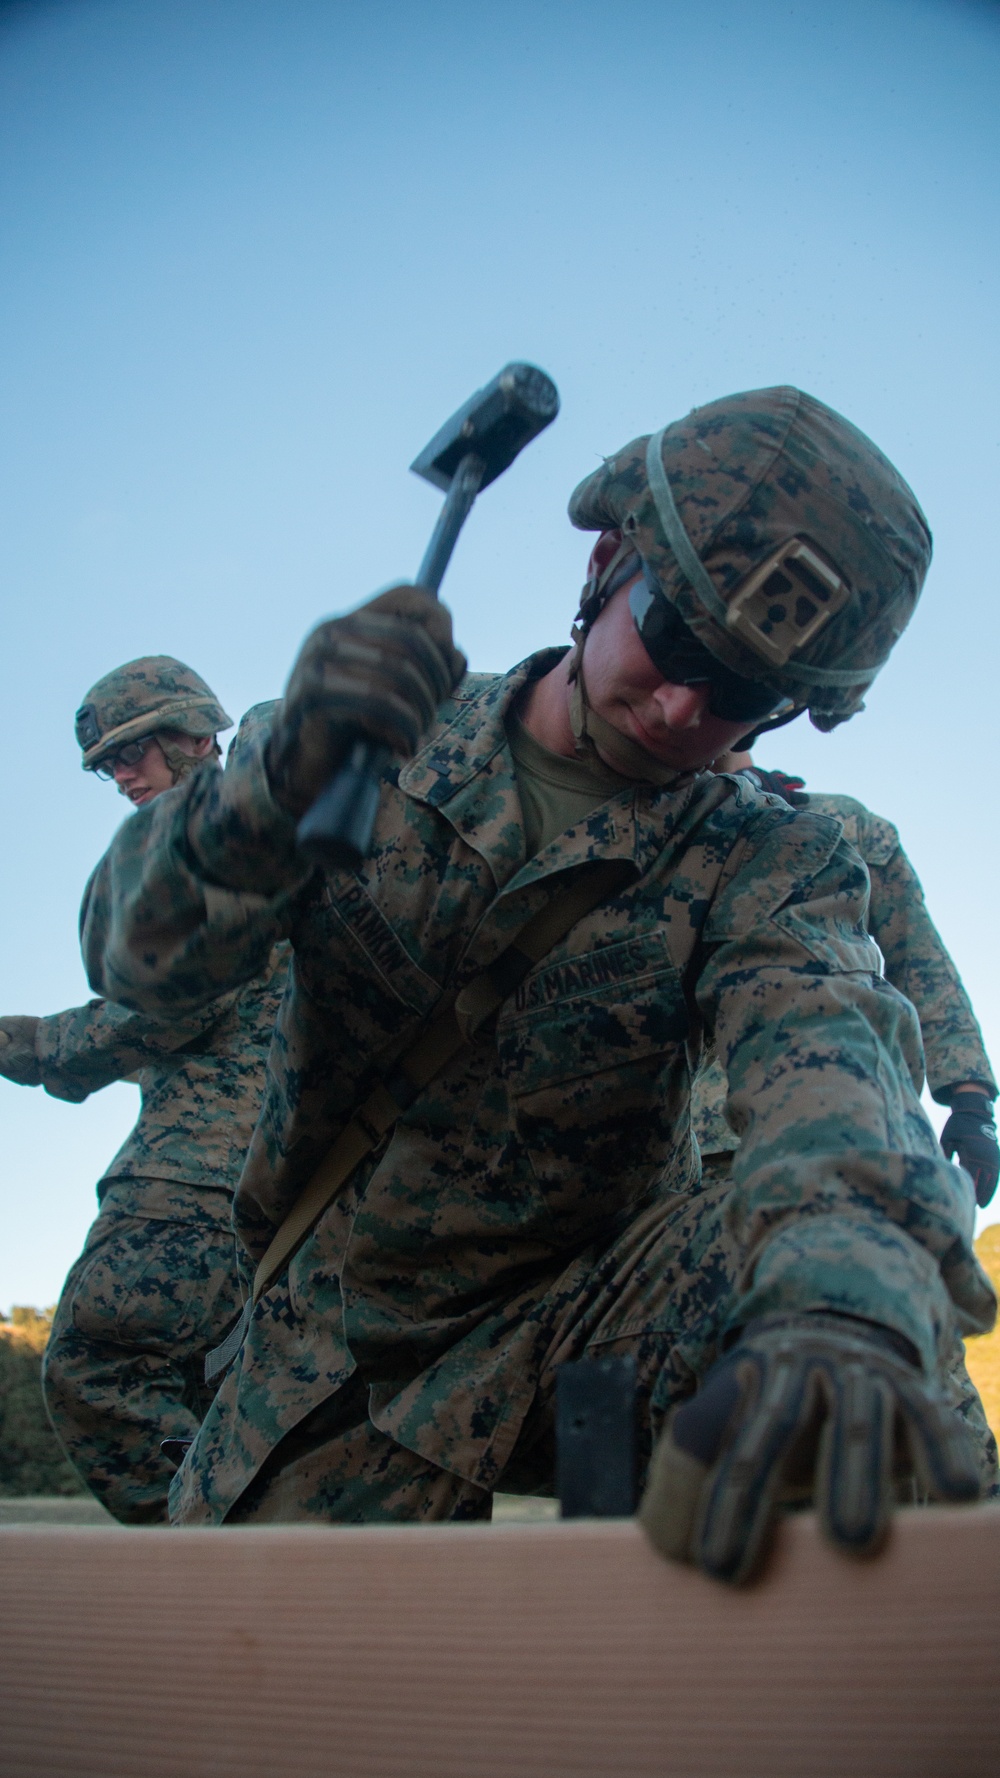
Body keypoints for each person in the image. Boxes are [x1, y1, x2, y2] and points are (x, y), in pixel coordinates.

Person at [81, 387, 996, 1583]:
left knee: (856, 1350)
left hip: (597, 1318)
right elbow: (140, 962)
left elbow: (823, 1050)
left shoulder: (768, 852)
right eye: (672, 636)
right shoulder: (364, 751)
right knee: (260, 1694)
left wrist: (850, 1294)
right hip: (336, 1343)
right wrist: (263, 791)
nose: (681, 707)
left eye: (741, 690)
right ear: (609, 559)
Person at [0, 658, 288, 1523]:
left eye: (133, 752)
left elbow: (165, 1007)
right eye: (107, 765)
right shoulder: (268, 822)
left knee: (99, 1361)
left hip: (197, 1180)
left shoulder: (231, 838)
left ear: (196, 733)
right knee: (230, 1394)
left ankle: (210, 1560)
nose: (121, 775)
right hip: (273, 1178)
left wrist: (37, 1043)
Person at [690, 756, 999, 1486]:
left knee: (890, 1320)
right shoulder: (653, 825)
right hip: (686, 1150)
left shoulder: (843, 825)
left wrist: (970, 1098)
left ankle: (971, 1535)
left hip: (849, 1130)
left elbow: (920, 958)